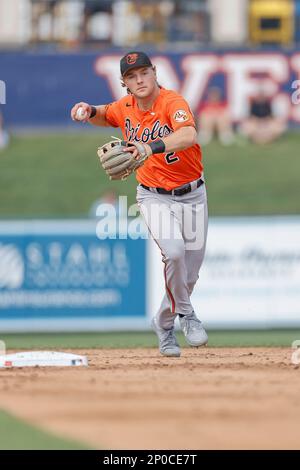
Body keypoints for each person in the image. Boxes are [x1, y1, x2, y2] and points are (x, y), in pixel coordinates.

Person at [71, 51, 208, 357]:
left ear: (155, 73)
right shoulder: (125, 107)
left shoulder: (173, 102)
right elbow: (104, 114)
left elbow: (188, 134)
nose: (140, 80)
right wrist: (87, 109)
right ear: (125, 83)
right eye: (132, 77)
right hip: (153, 195)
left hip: (194, 194)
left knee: (189, 274)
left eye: (144, 73)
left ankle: (163, 323)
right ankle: (187, 316)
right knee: (174, 253)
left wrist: (150, 147)